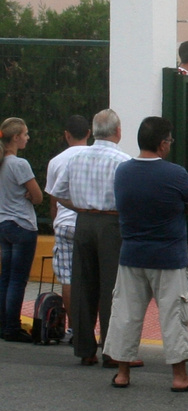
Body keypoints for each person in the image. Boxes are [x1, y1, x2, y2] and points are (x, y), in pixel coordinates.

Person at [104, 116, 188, 391]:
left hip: (132, 254)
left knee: (126, 313)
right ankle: (179, 376)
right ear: (162, 144)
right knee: (174, 315)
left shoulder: (123, 171)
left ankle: (122, 372)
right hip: (168, 256)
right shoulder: (176, 174)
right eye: (169, 141)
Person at [50, 109, 133, 366]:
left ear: (94, 131)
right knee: (111, 288)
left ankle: (85, 349)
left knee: (83, 284)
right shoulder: (123, 160)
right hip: (111, 222)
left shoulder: (77, 158)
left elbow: (59, 192)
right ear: (117, 131)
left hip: (83, 220)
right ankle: (111, 350)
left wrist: (81, 207)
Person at [44, 115, 91, 340]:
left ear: (66, 135)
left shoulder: (56, 161)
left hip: (64, 223)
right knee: (93, 278)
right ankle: (92, 328)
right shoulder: (93, 156)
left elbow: (54, 200)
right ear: (89, 133)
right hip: (89, 223)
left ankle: (74, 329)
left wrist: (56, 224)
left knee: (68, 278)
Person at [0, 117, 43, 342]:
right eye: (25, 134)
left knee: (5, 276)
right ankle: (12, 327)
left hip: (3, 223)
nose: (27, 137)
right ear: (16, 138)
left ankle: (3, 323)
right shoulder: (19, 164)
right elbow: (37, 196)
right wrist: (29, 195)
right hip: (22, 224)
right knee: (18, 279)